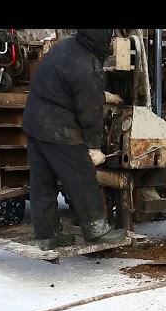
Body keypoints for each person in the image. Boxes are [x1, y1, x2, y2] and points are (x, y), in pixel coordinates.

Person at [23, 29, 126, 250]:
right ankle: (96, 230)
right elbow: (90, 113)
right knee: (82, 178)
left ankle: (47, 235)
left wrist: (102, 94)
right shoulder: (89, 64)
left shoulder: (66, 45)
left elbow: (66, 84)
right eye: (110, 37)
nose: (112, 41)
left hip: (35, 123)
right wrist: (93, 147)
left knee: (42, 184)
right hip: (59, 129)